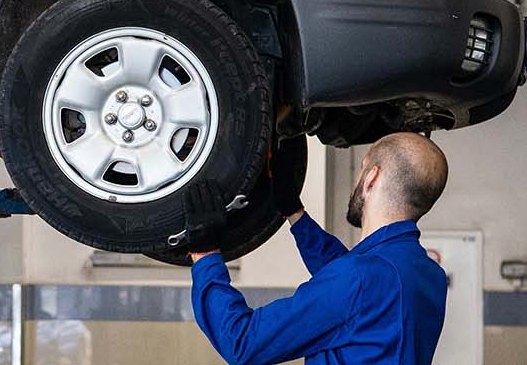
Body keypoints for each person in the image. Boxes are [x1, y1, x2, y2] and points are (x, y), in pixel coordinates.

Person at [186, 132, 451, 365]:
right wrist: (293, 211)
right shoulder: (428, 275)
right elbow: (348, 281)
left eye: (362, 168)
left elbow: (242, 343)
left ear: (371, 178)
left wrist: (205, 254)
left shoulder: (360, 278)